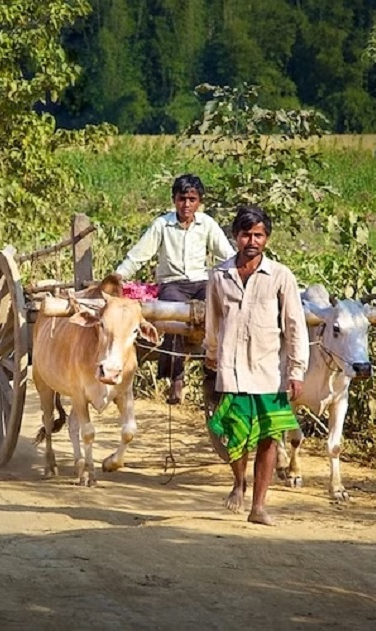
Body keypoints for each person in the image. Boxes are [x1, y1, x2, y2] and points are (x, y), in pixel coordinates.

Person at [203, 204, 309, 526]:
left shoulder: (281, 276)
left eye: (259, 235)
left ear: (267, 238)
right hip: (232, 370)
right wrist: (210, 355)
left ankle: (258, 507)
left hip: (268, 372)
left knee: (268, 439)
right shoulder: (220, 276)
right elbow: (213, 320)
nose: (252, 240)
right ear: (235, 237)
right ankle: (239, 482)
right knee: (234, 437)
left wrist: (296, 370)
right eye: (246, 234)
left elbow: (294, 325)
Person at [114, 173, 235, 404]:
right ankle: (176, 377)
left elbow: (227, 256)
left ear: (200, 201)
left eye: (192, 199)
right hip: (172, 284)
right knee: (173, 313)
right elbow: (139, 255)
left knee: (220, 307)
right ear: (174, 200)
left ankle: (216, 365)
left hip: (201, 282)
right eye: (182, 199)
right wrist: (118, 277)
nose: (186, 205)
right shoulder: (162, 225)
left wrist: (243, 276)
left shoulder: (206, 224)